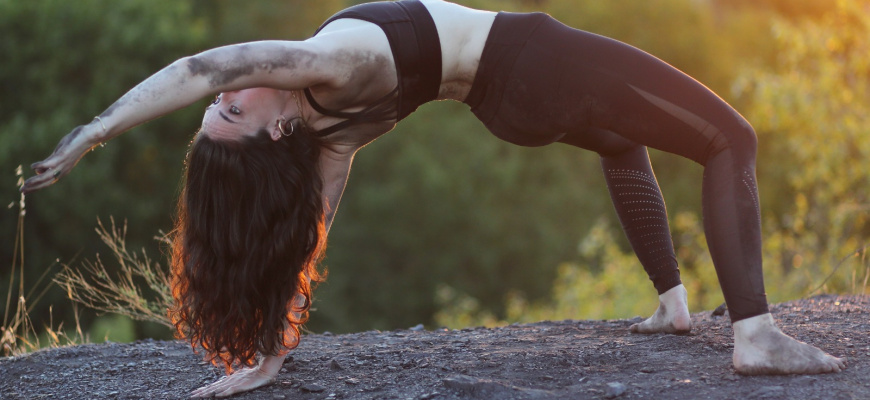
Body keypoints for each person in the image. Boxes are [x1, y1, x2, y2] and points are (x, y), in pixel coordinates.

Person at [21, 0, 846, 397]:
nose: (230, 95)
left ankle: (672, 304)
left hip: (507, 104)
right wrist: (98, 128)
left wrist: (270, 354)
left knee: (620, 136)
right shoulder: (326, 76)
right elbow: (206, 67)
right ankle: (757, 335)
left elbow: (304, 238)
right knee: (730, 137)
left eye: (219, 113)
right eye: (234, 111)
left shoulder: (331, 133)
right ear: (271, 131)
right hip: (529, 60)